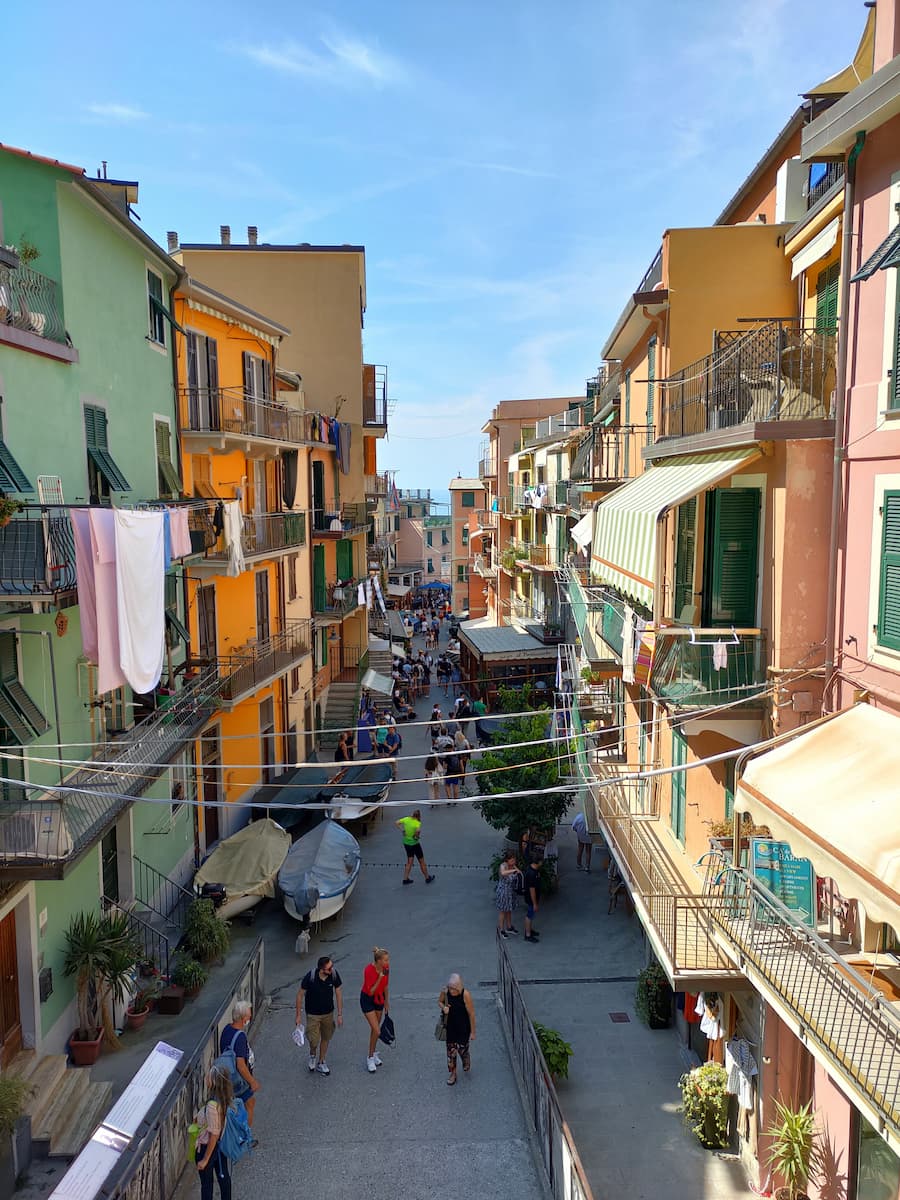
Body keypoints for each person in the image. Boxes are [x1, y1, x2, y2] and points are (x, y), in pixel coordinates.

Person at [296, 955, 343, 1076]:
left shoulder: (333, 975)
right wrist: (298, 1016)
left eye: (332, 966)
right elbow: (300, 995)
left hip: (328, 1013)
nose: (332, 969)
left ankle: (321, 1062)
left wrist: (339, 1014)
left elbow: (338, 993)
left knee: (326, 1037)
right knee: (314, 1040)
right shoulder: (310, 977)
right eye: (329, 968)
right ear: (321, 969)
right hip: (313, 1015)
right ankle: (312, 1055)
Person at [194, 1063, 234, 1200]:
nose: (206, 1078)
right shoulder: (224, 1099)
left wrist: (205, 1159)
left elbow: (214, 1134)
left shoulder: (212, 1106)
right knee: (224, 1177)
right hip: (220, 1146)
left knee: (206, 1185)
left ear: (213, 1081)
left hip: (207, 1147)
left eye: (208, 1076)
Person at [220, 1000, 260, 1133]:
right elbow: (241, 1065)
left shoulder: (227, 1029)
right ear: (243, 1019)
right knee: (250, 1103)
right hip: (239, 1080)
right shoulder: (240, 1037)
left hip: (227, 1076)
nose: (249, 1018)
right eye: (248, 1016)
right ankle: (244, 1136)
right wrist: (252, 1082)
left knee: (235, 1105)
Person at [439, 974, 476, 1085]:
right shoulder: (445, 992)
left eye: (454, 989)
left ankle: (465, 1058)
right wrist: (443, 1007)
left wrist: (473, 1032)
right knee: (451, 1053)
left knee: (462, 1049)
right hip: (450, 1028)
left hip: (463, 1029)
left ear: (459, 988)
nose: (451, 991)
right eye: (450, 988)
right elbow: (439, 1001)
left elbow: (472, 1014)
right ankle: (453, 1074)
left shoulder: (465, 995)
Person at [360, 947, 390, 1073]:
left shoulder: (386, 969)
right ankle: (370, 1058)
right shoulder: (368, 970)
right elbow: (371, 991)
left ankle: (373, 1053)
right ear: (378, 961)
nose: (388, 963)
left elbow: (386, 985)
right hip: (368, 999)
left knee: (375, 1030)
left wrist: (387, 1001)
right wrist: (379, 977)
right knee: (377, 1030)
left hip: (379, 999)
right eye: (386, 960)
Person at [395, 808, 434, 885]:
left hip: (406, 843)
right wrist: (416, 836)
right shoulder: (417, 823)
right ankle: (427, 877)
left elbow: (396, 822)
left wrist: (402, 830)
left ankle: (405, 879)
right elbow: (418, 831)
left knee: (409, 861)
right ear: (419, 816)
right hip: (414, 844)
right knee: (421, 861)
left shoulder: (406, 819)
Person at [495, 850, 522, 938]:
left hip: (510, 891)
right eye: (512, 860)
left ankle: (509, 927)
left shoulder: (512, 866)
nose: (514, 862)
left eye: (514, 860)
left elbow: (520, 873)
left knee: (509, 909)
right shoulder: (503, 865)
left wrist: (515, 868)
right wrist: (514, 870)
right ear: (507, 860)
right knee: (503, 911)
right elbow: (503, 873)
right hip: (503, 891)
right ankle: (501, 929)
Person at [523, 854, 542, 943]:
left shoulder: (534, 870)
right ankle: (528, 934)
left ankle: (530, 930)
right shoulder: (532, 874)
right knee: (529, 915)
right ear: (538, 862)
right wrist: (535, 903)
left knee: (531, 915)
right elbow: (532, 890)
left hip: (532, 897)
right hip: (531, 898)